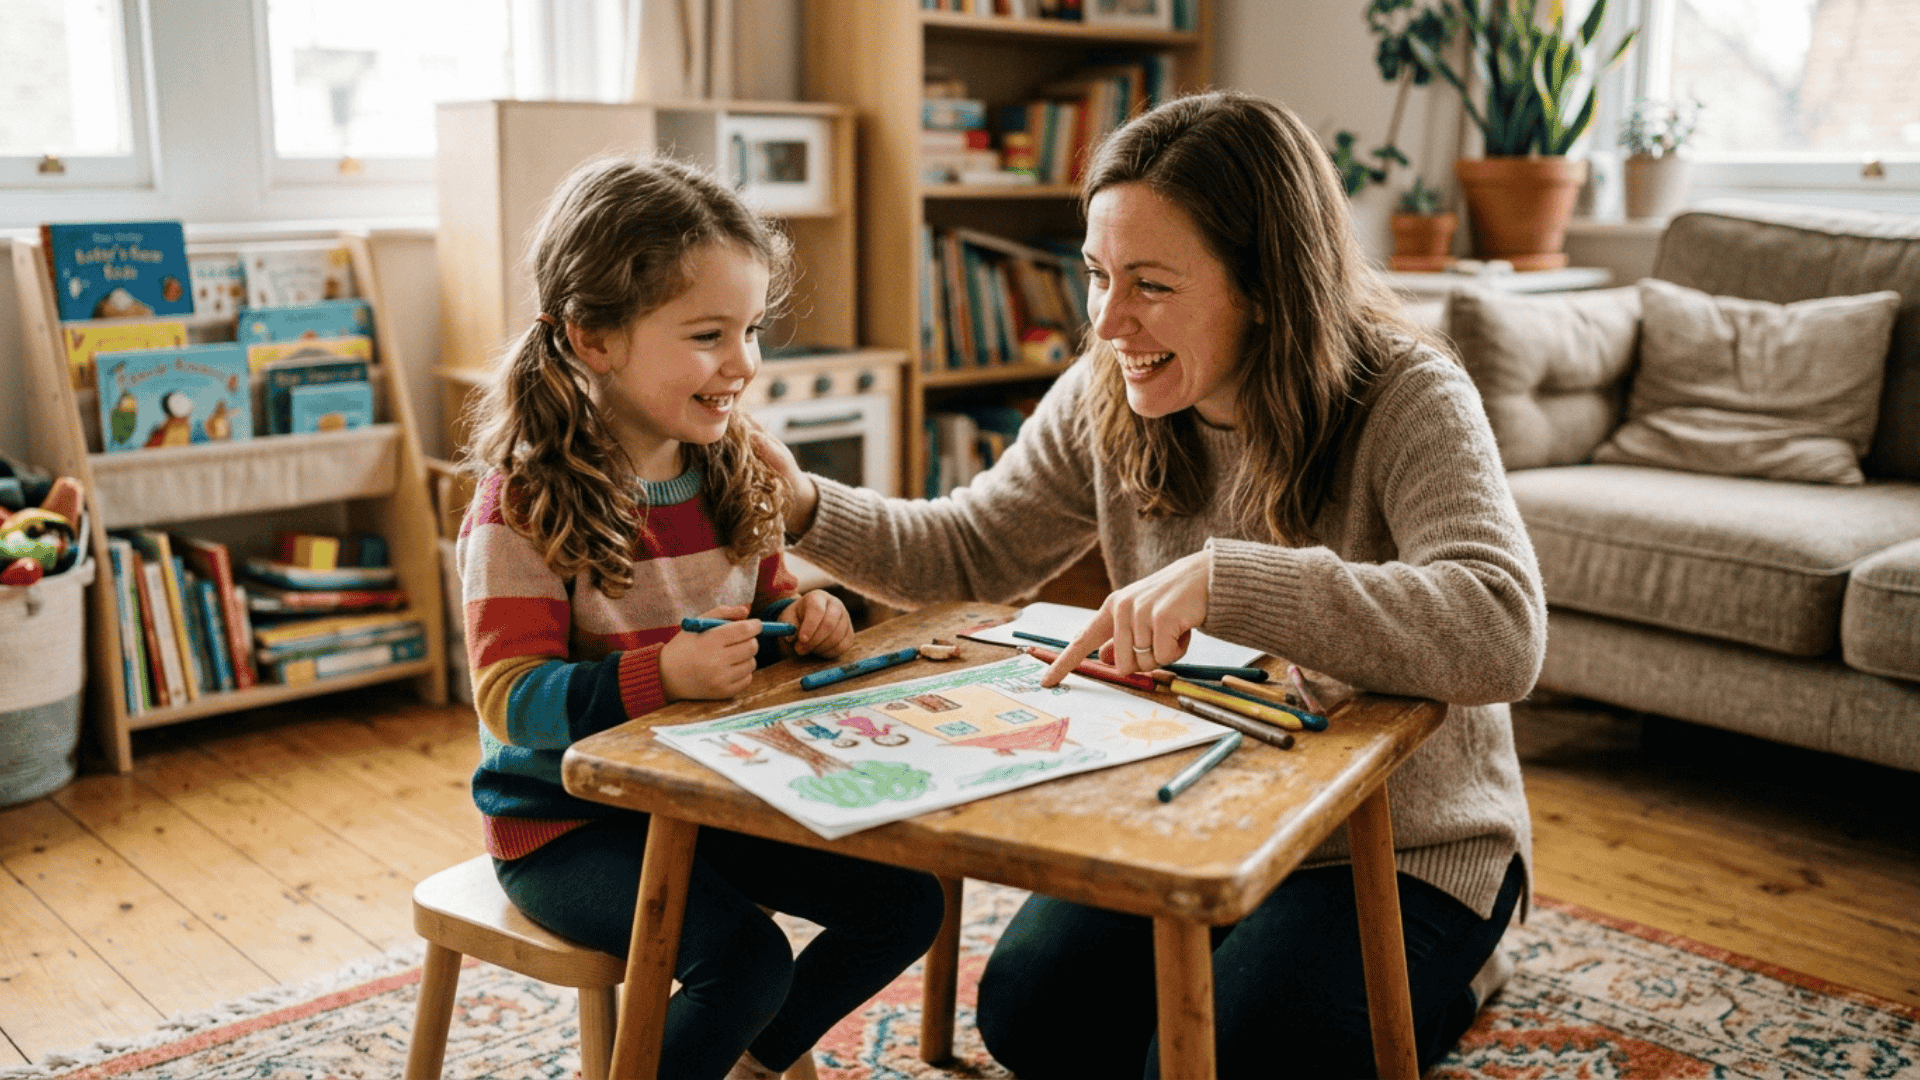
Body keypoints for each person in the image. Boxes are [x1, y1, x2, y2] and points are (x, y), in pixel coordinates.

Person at [754, 90, 1544, 1078]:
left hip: (1405, 851)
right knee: (1031, 1017)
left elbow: (1502, 627)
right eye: (1096, 274)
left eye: (1152, 285)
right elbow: (971, 549)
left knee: (1257, 1054)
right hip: (1205, 810)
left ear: (1262, 284)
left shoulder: (1408, 393)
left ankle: (1466, 969)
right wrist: (804, 506)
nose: (1109, 319)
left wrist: (1232, 581)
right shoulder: (1109, 387)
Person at [456, 154, 947, 1080]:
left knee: (907, 903)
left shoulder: (726, 469)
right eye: (708, 334)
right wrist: (661, 679)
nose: (743, 362)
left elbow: (762, 613)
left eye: (752, 329)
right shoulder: (522, 503)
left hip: (710, 793)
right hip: (565, 825)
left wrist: (806, 615)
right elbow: (508, 699)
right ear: (593, 337)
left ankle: (753, 1066)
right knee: (745, 959)